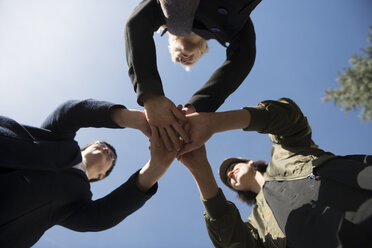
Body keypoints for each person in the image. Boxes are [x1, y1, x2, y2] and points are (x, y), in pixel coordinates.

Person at [178, 98, 372, 247]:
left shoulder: (285, 154)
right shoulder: (256, 224)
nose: (230, 174)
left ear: (250, 162)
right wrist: (200, 167)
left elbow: (289, 119)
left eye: (232, 167)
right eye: (228, 180)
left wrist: (214, 123)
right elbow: (233, 241)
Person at [0, 99, 177, 248]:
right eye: (101, 144)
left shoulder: (78, 202)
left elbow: (102, 216)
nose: (107, 150)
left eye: (112, 157)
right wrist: (134, 119)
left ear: (102, 175)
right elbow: (71, 113)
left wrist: (156, 167)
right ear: (86, 147)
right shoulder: (58, 138)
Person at [124, 0, 261, 151]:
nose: (182, 59)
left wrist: (151, 95)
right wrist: (196, 108)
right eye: (185, 62)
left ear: (172, 39)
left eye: (177, 56)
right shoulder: (231, 27)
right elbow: (243, 57)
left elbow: (137, 22)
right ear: (201, 53)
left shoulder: (166, 12)